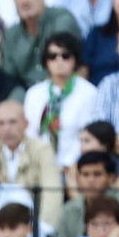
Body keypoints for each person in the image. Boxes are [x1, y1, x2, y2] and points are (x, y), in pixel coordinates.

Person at [0, 99, 63, 231]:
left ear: (26, 124)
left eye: (12, 122)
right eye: (1, 123)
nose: (7, 128)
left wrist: (42, 229)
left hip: (33, 224)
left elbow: (52, 191)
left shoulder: (42, 149)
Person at [25, 34, 96, 173]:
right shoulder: (34, 93)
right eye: (52, 56)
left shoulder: (89, 93)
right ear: (46, 61)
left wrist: (67, 165)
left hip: (75, 167)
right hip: (37, 166)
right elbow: (29, 132)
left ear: (75, 59)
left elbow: (87, 136)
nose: (59, 61)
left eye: (65, 56)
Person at [1, 0, 81, 92]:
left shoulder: (62, 19)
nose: (24, 0)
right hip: (25, 96)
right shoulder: (11, 35)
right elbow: (9, 78)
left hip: (62, 88)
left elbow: (69, 64)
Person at [53, 151, 119, 237]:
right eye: (85, 175)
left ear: (111, 178)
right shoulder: (68, 210)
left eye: (97, 174)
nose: (90, 180)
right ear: (78, 179)